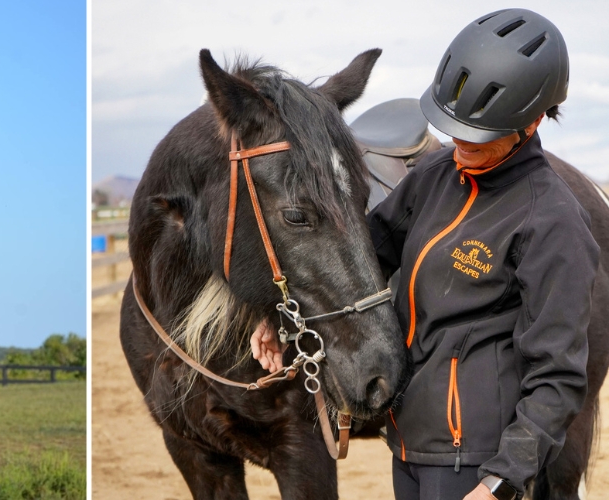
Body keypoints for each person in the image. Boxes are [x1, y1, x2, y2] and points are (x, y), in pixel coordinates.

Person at [252, 8, 597, 500]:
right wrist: (279, 318)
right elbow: (360, 261)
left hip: (476, 463)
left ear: (534, 119)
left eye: (480, 135)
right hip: (410, 445)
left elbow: (558, 373)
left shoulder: (553, 221)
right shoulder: (435, 175)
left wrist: (502, 480)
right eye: (454, 126)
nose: (460, 142)